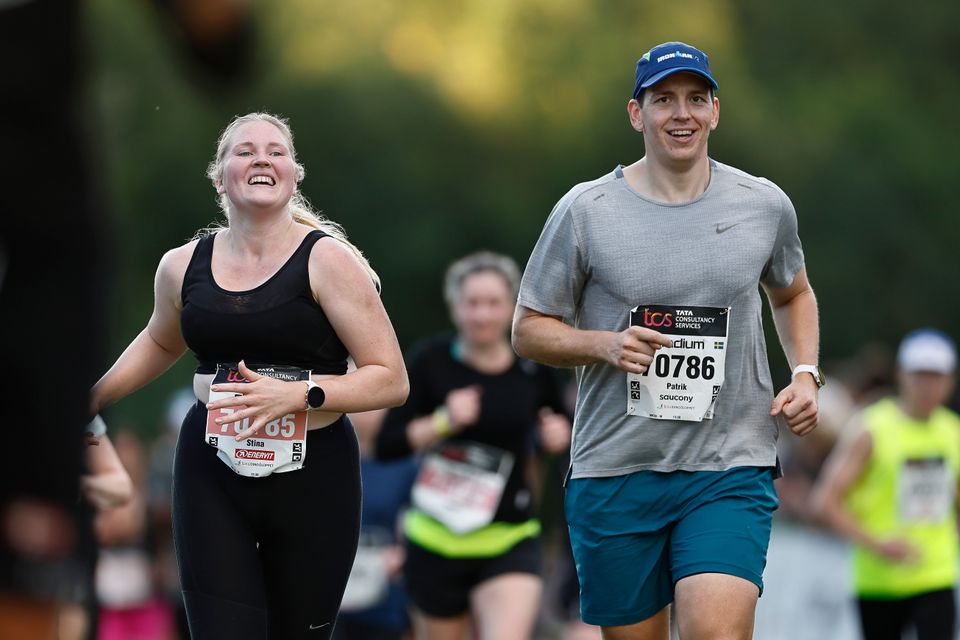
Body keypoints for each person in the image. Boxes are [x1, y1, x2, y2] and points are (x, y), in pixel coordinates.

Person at [512, 41, 822, 640]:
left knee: (716, 632)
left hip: (729, 464)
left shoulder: (762, 204)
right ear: (637, 113)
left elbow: (793, 293)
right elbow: (528, 330)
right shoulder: (586, 209)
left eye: (695, 99)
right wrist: (602, 345)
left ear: (714, 112)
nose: (681, 113)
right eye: (664, 100)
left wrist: (806, 371)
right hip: (616, 467)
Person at [90, 112, 409, 640]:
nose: (262, 158)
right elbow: (161, 340)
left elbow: (391, 379)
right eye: (245, 150)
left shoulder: (328, 261)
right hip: (211, 470)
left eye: (276, 151)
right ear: (220, 177)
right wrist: (92, 396)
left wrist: (298, 395)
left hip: (316, 477)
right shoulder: (180, 266)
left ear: (293, 174)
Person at [377, 251, 572, 640]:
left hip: (509, 535)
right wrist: (442, 422)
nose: (482, 314)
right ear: (454, 307)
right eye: (472, 303)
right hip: (435, 536)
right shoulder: (430, 362)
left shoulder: (533, 368)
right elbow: (388, 444)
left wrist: (558, 436)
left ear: (512, 308)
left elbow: (561, 430)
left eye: (493, 303)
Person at [810, 329, 959, 640]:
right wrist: (877, 544)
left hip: (936, 576)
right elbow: (824, 500)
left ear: (950, 381)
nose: (928, 386)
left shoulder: (953, 432)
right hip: (878, 581)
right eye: (920, 375)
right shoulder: (871, 428)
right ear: (901, 375)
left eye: (937, 376)